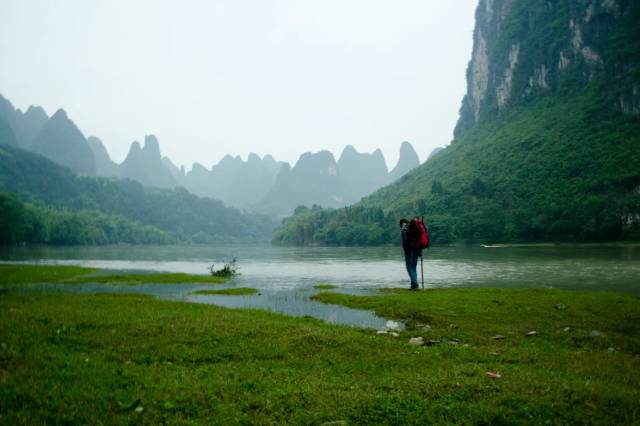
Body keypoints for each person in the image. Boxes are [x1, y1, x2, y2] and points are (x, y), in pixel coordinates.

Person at [400, 218, 421, 290]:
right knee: (414, 267)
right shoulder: (415, 228)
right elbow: (419, 239)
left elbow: (404, 241)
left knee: (409, 267)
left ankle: (415, 283)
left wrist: (406, 250)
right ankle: (413, 285)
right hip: (417, 249)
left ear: (401, 223)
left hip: (409, 250)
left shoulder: (404, 228)